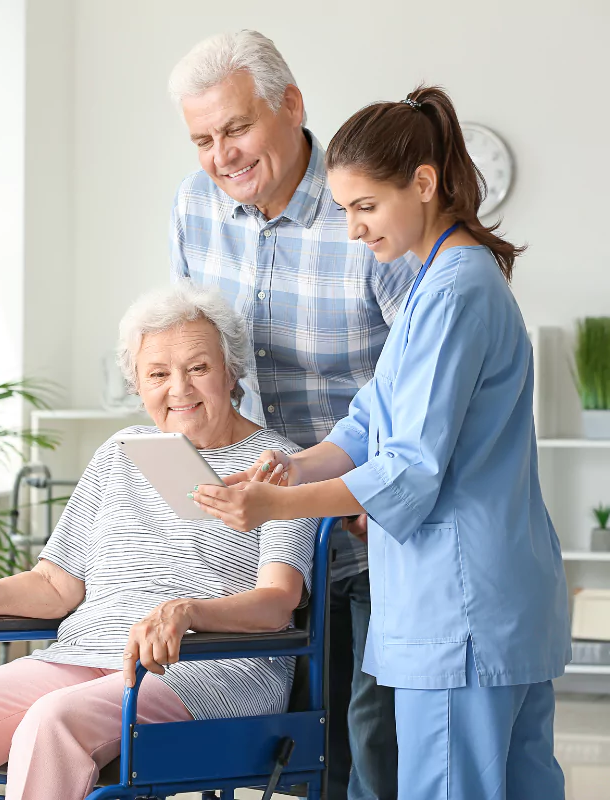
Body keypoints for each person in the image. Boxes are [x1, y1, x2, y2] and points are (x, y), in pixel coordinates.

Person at [193, 86, 571, 800]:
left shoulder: (455, 290)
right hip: (497, 605)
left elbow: (407, 470)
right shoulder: (439, 282)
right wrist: (291, 465)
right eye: (343, 211)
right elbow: (370, 420)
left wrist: (282, 505)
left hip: (459, 609)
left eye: (365, 207)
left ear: (423, 185)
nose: (355, 230)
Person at [0, 282, 317, 800]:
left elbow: (277, 604)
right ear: (137, 385)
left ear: (232, 372)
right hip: (86, 654)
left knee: (52, 721)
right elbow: (55, 585)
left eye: (198, 368)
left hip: (206, 667)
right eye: (157, 374)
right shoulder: (123, 451)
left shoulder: (280, 466)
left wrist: (188, 612)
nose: (178, 388)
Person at [168, 30, 418, 799]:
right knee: (293, 750)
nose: (223, 156)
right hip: (265, 537)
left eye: (237, 128)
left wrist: (373, 492)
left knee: (374, 746)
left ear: (292, 105)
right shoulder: (195, 206)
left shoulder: (368, 210)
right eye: (204, 139)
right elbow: (198, 359)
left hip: (370, 523)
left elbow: (423, 378)